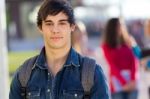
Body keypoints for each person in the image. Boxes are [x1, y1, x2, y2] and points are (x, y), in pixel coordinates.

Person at [9, 0, 110, 99]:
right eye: (49, 23)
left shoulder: (92, 73)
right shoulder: (23, 74)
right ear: (40, 28)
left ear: (72, 26)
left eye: (62, 23)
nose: (55, 30)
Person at [101, 18, 139, 99]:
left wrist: (133, 79)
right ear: (111, 28)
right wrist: (124, 83)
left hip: (132, 82)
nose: (120, 27)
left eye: (121, 25)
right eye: (117, 25)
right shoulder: (106, 46)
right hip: (117, 84)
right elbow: (112, 65)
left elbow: (134, 61)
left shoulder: (129, 41)